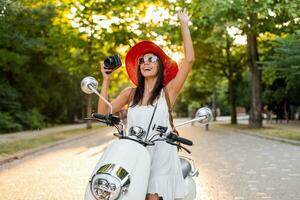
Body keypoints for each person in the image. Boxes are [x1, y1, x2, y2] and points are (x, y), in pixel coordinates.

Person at [98, 9, 194, 200]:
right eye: (142, 61)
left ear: (160, 65)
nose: (145, 62)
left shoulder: (169, 91)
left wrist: (184, 25)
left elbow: (189, 60)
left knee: (151, 196)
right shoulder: (130, 93)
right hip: (133, 151)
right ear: (139, 68)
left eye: (151, 59)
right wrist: (106, 80)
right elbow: (103, 111)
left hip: (160, 153)